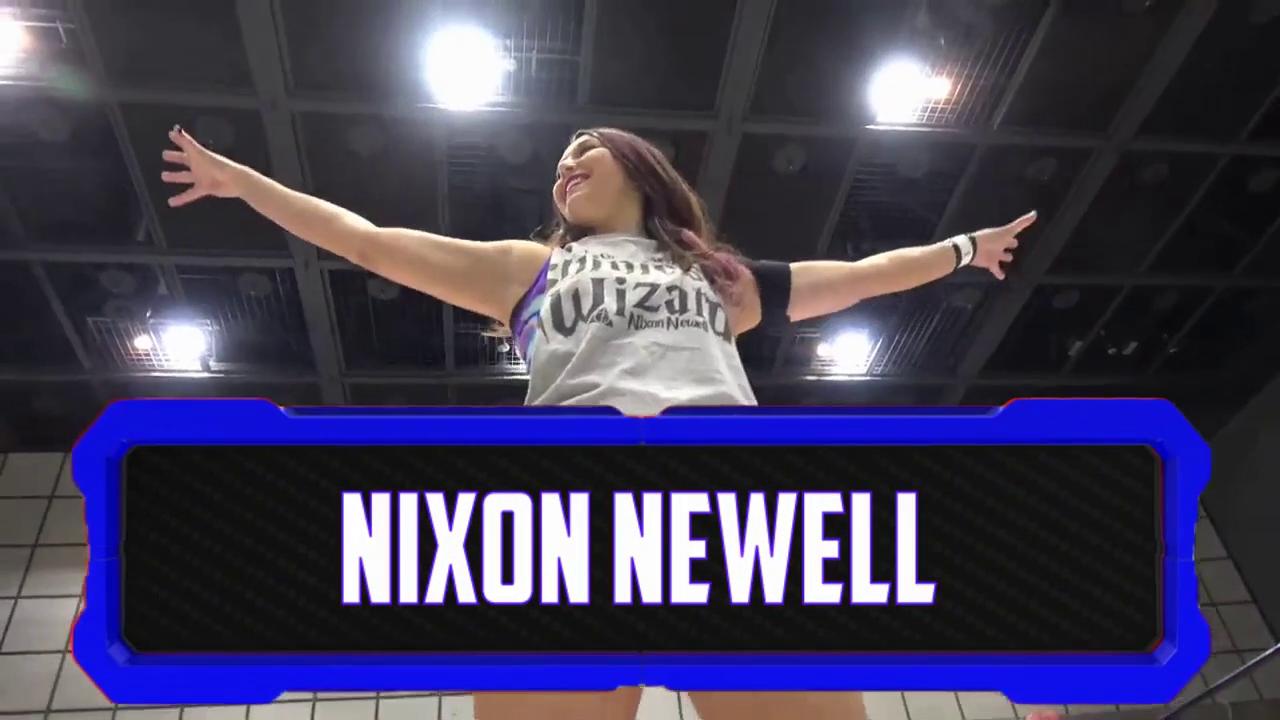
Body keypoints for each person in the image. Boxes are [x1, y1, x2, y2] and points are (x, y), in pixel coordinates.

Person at [162, 124, 1033, 720]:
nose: (564, 167)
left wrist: (965, 249)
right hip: (569, 513)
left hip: (731, 512)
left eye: (584, 150)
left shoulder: (722, 276)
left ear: (641, 168)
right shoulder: (529, 267)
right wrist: (242, 183)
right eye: (558, 163)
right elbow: (368, 240)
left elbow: (864, 275)